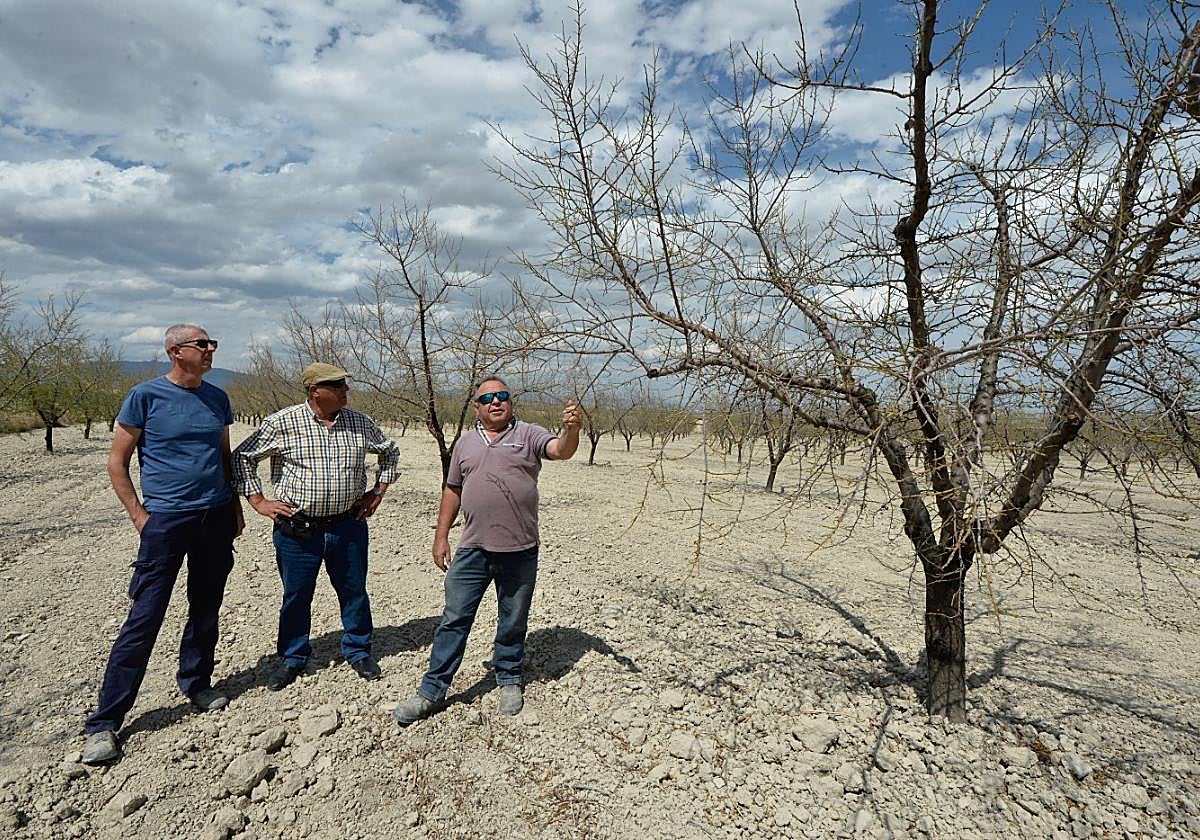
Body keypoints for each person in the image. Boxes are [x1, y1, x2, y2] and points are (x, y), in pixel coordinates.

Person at [82, 324, 243, 765]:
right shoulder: (145, 397)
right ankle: (105, 721)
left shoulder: (217, 398)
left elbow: (223, 456)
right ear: (176, 351)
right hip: (167, 520)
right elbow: (117, 461)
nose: (211, 350)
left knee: (206, 605)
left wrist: (234, 506)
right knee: (145, 615)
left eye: (213, 343)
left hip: (214, 517)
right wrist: (137, 512)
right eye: (203, 344)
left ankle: (196, 682)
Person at [393, 376, 580, 725]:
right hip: (473, 550)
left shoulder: (528, 434)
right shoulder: (464, 444)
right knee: (454, 619)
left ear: (510, 401)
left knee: (513, 619)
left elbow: (560, 450)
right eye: (488, 398)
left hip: (520, 550)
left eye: (502, 396)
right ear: (477, 408)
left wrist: (572, 430)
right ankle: (432, 691)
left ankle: (508, 677)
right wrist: (441, 535)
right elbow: (452, 490)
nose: (496, 402)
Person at [232, 363, 399, 691]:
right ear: (314, 391)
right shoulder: (283, 422)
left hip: (347, 526)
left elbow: (390, 453)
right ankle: (293, 656)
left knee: (353, 591)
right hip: (298, 530)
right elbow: (243, 457)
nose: (345, 391)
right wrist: (258, 501)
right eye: (337, 386)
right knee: (296, 595)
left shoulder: (360, 423)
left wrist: (378, 491)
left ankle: (358, 650)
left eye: (344, 385)